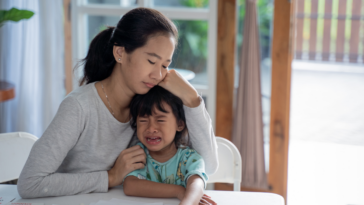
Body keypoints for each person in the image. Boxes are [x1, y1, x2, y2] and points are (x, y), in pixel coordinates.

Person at [17, 7, 218, 199]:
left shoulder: (148, 108)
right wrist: (111, 177)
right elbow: (30, 183)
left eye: (165, 65)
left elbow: (206, 166)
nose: (158, 74)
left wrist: (193, 100)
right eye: (151, 61)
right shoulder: (79, 107)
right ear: (120, 53)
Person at [123, 86, 216, 205]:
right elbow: (129, 186)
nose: (151, 128)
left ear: (180, 124)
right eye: (143, 120)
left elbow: (197, 185)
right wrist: (178, 191)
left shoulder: (189, 158)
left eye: (160, 120)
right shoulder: (137, 154)